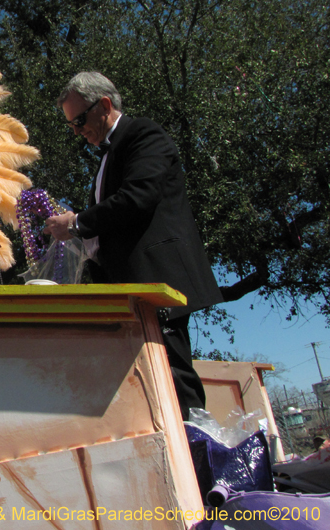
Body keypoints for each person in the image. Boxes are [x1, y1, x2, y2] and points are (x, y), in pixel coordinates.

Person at [44, 72, 223, 420]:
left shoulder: (143, 134)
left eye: (79, 120)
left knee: (172, 377)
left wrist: (77, 223)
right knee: (152, 382)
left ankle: (198, 459)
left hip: (156, 283)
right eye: (72, 125)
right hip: (132, 288)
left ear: (105, 105)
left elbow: (139, 197)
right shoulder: (109, 156)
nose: (78, 131)